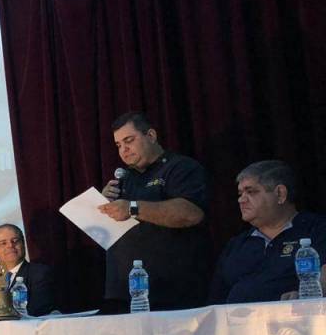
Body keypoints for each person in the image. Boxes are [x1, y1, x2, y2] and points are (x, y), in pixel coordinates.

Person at [98, 112, 211, 312]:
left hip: (171, 293)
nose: (124, 150)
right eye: (118, 145)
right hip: (121, 294)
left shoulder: (180, 168)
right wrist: (104, 205)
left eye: (129, 141)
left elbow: (191, 214)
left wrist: (132, 208)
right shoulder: (124, 179)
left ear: (151, 135)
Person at [209, 160, 326, 304]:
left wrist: (305, 297)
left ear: (280, 194)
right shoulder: (236, 244)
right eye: (240, 193)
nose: (241, 200)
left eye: (250, 192)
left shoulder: (317, 229)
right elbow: (216, 298)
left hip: (295, 316)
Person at [0, 224, 58, 320]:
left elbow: (39, 312)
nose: (10, 245)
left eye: (15, 241)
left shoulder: (40, 274)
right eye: (3, 243)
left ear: (23, 243)